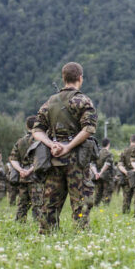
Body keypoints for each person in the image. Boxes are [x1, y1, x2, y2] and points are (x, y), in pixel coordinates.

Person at [31, 62, 98, 233]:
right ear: (80, 78)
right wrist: (68, 147)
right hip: (77, 160)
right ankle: (82, 239)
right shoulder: (83, 100)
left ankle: (46, 238)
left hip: (54, 159)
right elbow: (89, 129)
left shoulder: (50, 102)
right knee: (80, 204)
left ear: (63, 78)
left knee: (50, 204)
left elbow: (37, 130)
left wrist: (52, 144)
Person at [9, 116, 43, 221]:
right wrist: (29, 170)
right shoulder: (40, 140)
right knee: (37, 205)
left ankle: (19, 225)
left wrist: (21, 170)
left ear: (26, 126)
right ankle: (37, 226)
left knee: (22, 205)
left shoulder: (20, 141)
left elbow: (13, 159)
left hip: (23, 178)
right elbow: (41, 160)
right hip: (35, 177)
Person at [117, 134, 135, 214]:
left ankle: (125, 214)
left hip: (127, 176)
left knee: (126, 197)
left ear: (130, 140)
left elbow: (120, 164)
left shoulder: (124, 151)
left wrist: (126, 172)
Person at [92, 138, 114, 206]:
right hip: (107, 176)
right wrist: (101, 173)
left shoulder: (97, 152)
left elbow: (92, 164)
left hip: (97, 176)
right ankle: (105, 206)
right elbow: (107, 164)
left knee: (98, 192)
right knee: (107, 192)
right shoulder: (109, 153)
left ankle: (96, 205)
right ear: (108, 144)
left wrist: (96, 173)